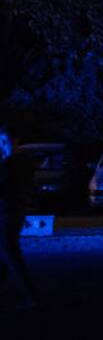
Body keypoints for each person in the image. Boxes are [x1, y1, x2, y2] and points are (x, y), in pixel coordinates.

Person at [0, 123, 36, 307]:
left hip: (9, 213)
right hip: (11, 212)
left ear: (15, 141)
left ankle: (31, 294)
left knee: (10, 252)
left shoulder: (13, 163)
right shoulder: (12, 163)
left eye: (5, 140)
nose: (2, 144)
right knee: (6, 253)